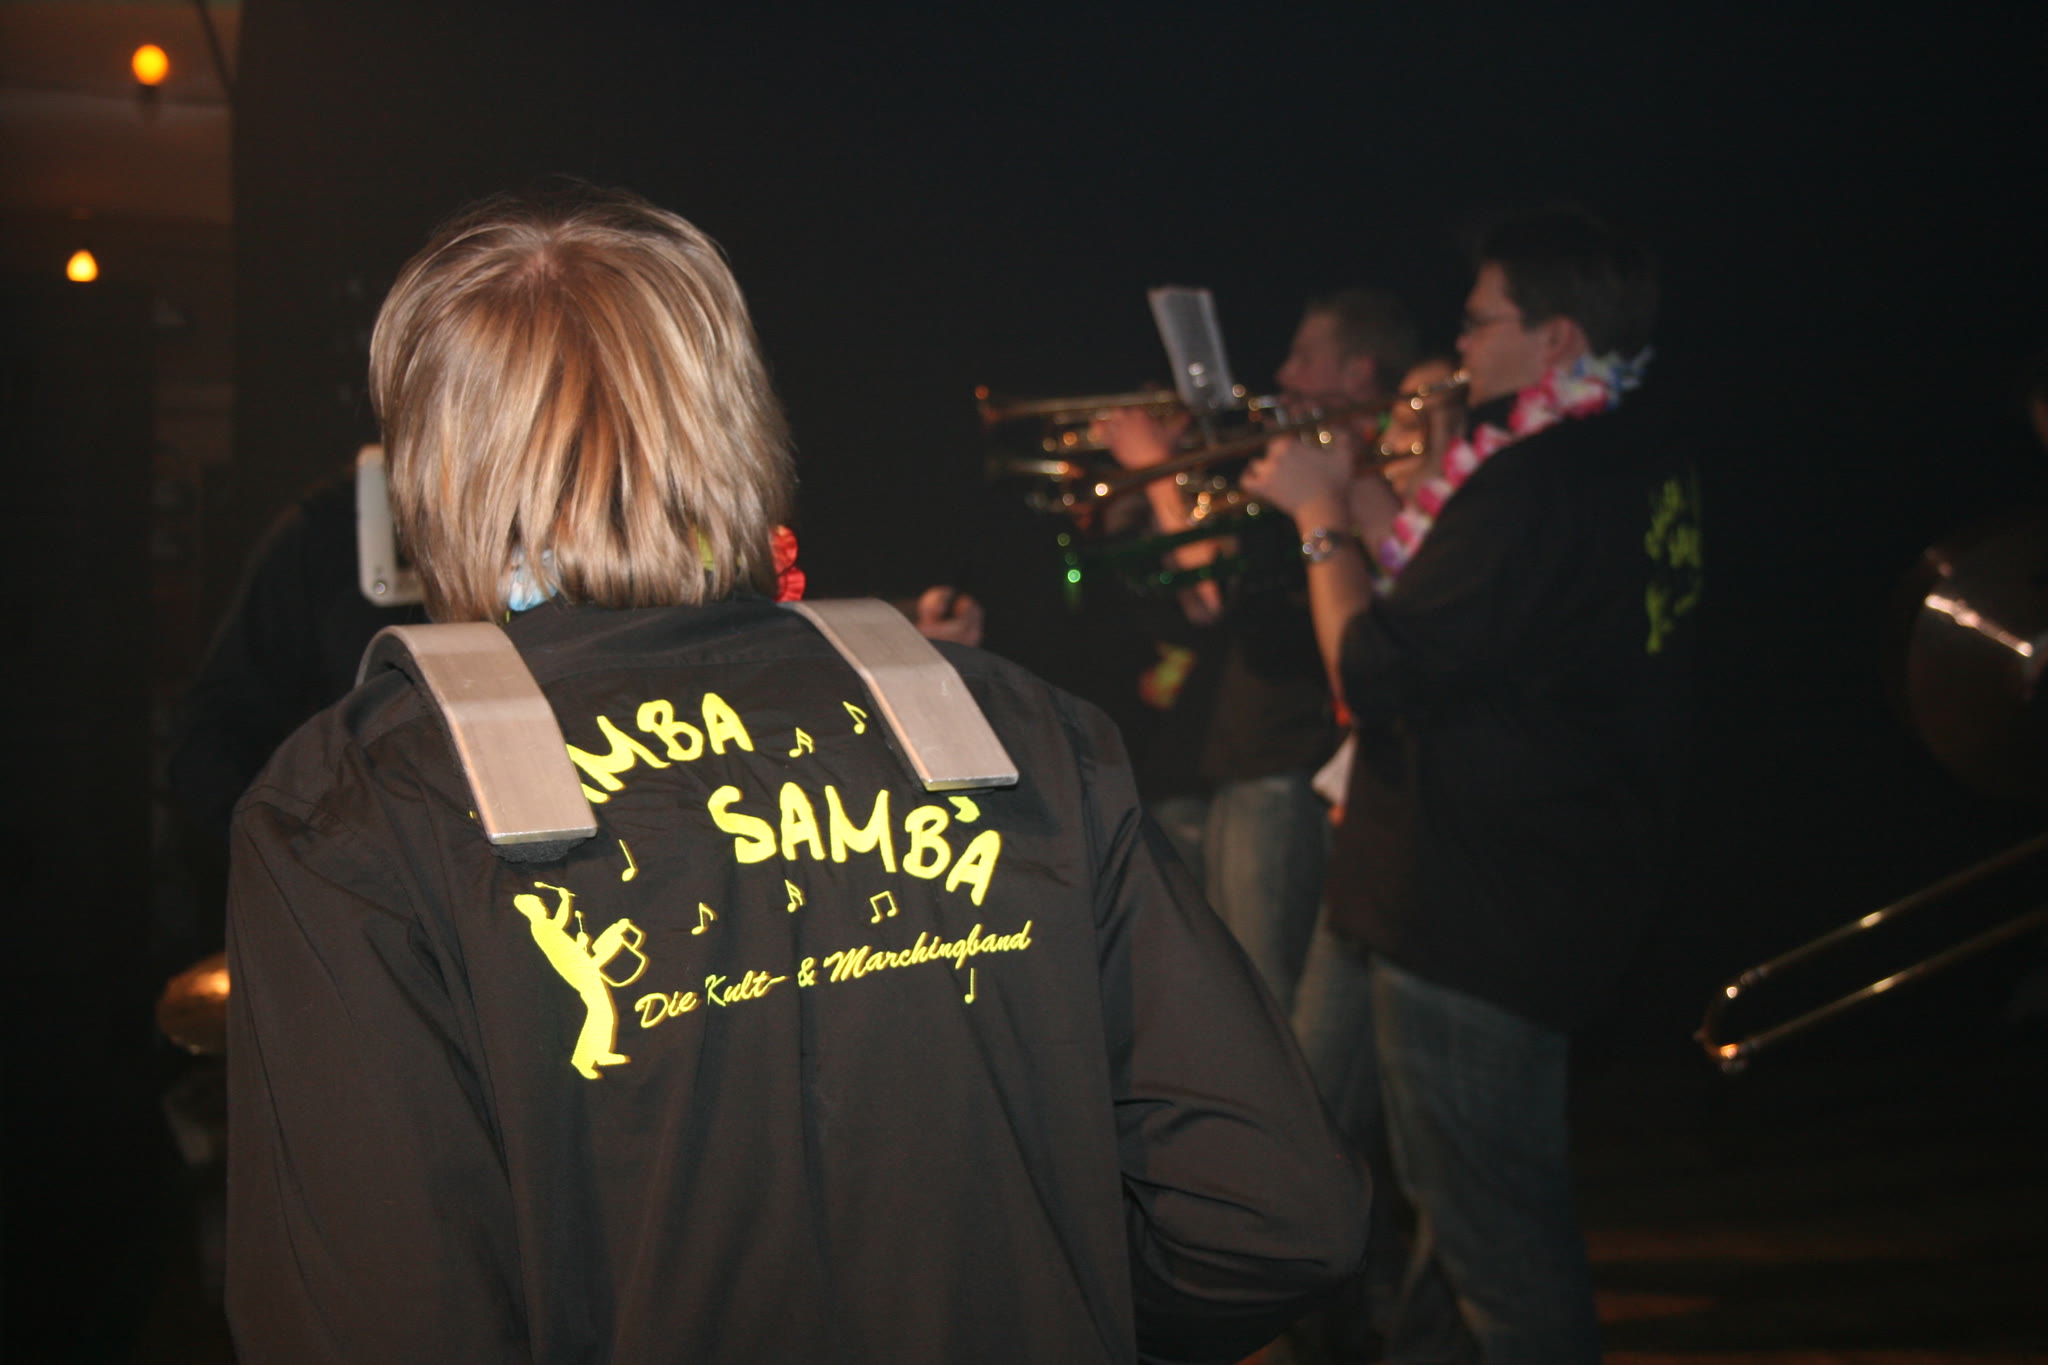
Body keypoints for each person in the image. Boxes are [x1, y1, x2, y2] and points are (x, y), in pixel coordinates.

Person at [223, 187, 1367, 1364]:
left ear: (434, 467)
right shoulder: (1008, 729)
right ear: (735, 419)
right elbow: (1275, 1217)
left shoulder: (361, 807)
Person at [1245, 209, 1697, 1362]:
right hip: (1524, 887)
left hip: (1469, 903)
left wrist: (1314, 518)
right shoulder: (1628, 459)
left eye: (1478, 321)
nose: (1456, 345)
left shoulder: (1531, 481)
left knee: (1498, 1253)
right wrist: (1367, 506)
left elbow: (1370, 668)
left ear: (1553, 340)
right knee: (1448, 1252)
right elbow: (1486, 625)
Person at [1094, 290, 1418, 1013]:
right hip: (1243, 753)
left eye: (1305, 356)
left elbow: (1210, 595)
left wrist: (1158, 467)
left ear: (1359, 372)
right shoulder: (1302, 467)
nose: (1284, 374)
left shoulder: (1366, 475)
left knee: (1259, 997)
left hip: (1289, 756)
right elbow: (1201, 596)